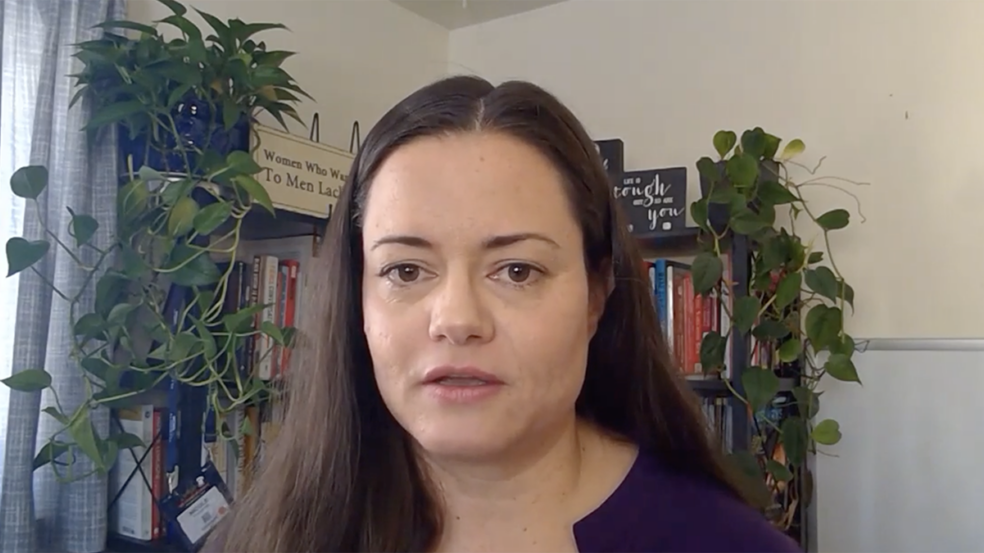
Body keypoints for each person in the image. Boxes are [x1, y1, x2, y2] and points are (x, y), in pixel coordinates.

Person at [204, 75, 803, 553]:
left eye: (517, 270)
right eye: (406, 271)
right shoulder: (267, 536)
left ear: (597, 296)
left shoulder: (720, 542)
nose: (457, 319)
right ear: (356, 300)